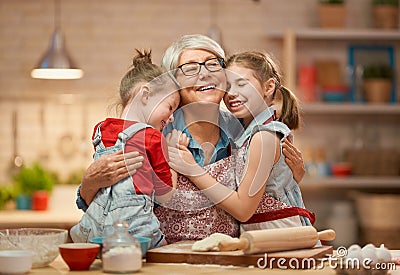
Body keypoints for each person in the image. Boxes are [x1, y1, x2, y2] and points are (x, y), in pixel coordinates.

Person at [76, 34, 306, 243]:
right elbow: (111, 201)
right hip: (165, 261)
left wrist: (290, 176)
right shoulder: (153, 131)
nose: (204, 73)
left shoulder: (243, 130)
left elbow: (267, 191)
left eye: (213, 64)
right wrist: (90, 183)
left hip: (229, 260)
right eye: (190, 68)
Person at [167, 51, 315, 232]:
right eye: (227, 86)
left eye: (242, 84)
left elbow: (243, 209)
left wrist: (192, 169)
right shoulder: (244, 132)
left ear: (268, 87)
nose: (232, 94)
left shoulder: (263, 136)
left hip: (279, 234)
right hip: (263, 235)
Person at [70, 50, 183, 249]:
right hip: (134, 232)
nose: (172, 117)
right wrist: (172, 154)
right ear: (146, 95)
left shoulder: (100, 130)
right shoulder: (153, 137)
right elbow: (166, 195)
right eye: (170, 106)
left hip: (94, 234)